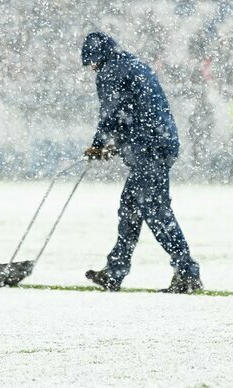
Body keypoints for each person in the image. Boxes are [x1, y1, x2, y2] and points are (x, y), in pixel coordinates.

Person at [81, 31, 203, 293]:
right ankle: (114, 271)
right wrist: (119, 145)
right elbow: (138, 110)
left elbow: (112, 112)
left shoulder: (110, 70)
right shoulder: (132, 64)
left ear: (96, 57)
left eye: (91, 63)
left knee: (156, 211)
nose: (92, 69)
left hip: (148, 148)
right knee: (130, 208)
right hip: (159, 142)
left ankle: (187, 273)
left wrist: (98, 144)